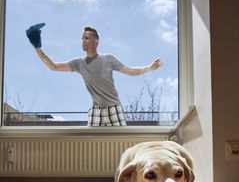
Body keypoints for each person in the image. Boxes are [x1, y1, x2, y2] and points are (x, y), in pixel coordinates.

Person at [26, 23, 163, 126]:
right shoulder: (79, 63)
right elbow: (53, 66)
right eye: (82, 38)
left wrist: (149, 68)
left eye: (86, 38)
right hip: (96, 110)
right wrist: (37, 47)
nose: (83, 41)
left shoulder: (108, 59)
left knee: (121, 142)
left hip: (114, 108)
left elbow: (130, 71)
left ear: (96, 41)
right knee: (92, 144)